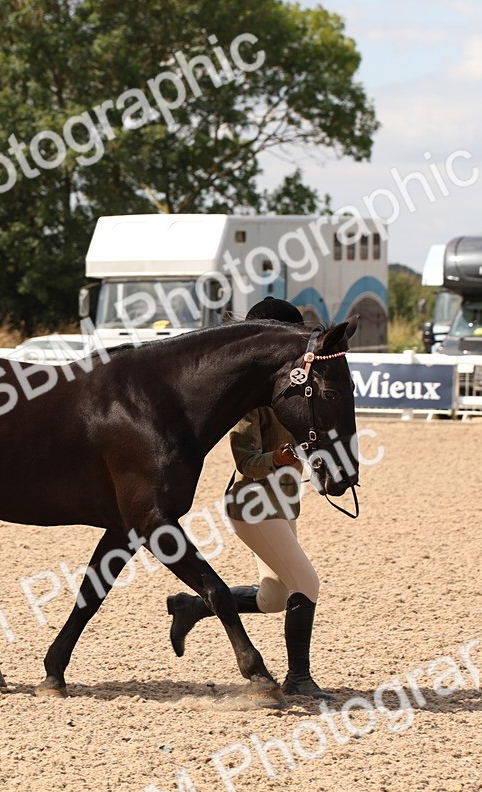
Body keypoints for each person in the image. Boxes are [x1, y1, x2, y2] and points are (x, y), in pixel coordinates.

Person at [165, 296, 331, 701]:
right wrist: (285, 455)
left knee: (273, 596)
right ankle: (299, 678)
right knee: (306, 584)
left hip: (285, 503)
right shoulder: (250, 406)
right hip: (253, 505)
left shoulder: (293, 394)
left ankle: (194, 607)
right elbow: (247, 461)